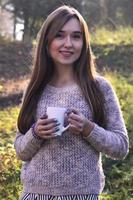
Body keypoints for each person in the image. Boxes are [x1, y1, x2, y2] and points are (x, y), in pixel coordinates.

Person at [14, 5, 129, 200]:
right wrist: (36, 133)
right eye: (59, 35)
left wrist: (89, 129)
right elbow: (21, 150)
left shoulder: (99, 88)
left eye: (76, 36)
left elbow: (121, 147)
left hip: (83, 195)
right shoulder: (35, 88)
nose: (68, 43)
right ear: (46, 41)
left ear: (84, 43)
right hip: (34, 195)